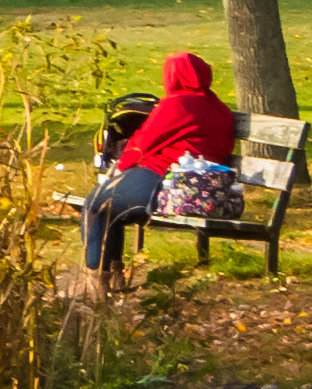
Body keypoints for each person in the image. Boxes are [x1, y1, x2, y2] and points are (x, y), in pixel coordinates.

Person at [82, 46, 243, 279]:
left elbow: (142, 143)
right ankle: (112, 274)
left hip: (163, 178)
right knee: (112, 206)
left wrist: (121, 168)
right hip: (202, 183)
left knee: (96, 204)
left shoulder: (176, 104)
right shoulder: (220, 109)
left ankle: (96, 276)